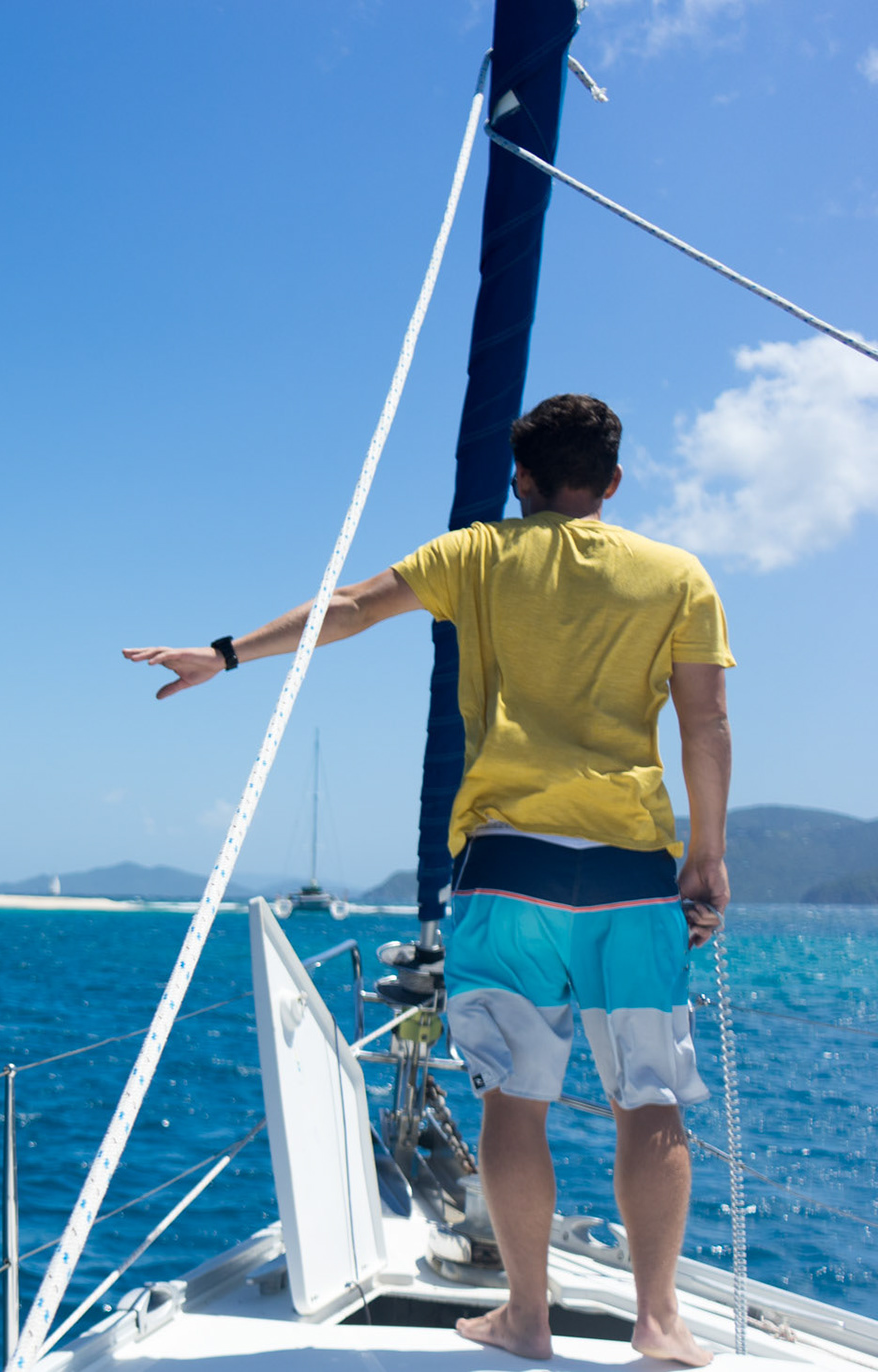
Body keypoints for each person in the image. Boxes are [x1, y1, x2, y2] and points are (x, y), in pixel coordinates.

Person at [124, 393, 733, 1366]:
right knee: (650, 1099)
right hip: (632, 872)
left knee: (515, 1100)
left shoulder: (479, 554)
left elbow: (353, 608)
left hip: (511, 866)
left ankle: (525, 1317)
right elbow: (706, 723)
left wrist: (226, 654)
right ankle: (659, 1320)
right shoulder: (678, 576)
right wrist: (707, 856)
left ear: (520, 478)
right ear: (613, 481)